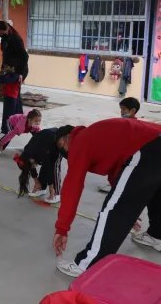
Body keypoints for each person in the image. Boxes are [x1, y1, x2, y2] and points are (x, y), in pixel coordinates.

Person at [53, 119, 161, 278]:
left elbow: (73, 186)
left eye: (61, 145)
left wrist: (62, 228)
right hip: (155, 141)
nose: (64, 151)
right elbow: (118, 174)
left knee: (114, 210)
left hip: (146, 147)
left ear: (67, 137)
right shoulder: (96, 136)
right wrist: (129, 204)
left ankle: (88, 264)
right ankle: (157, 235)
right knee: (157, 192)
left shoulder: (79, 140)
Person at [99, 97, 141, 193]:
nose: (121, 111)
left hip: (125, 156)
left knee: (119, 173)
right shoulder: (123, 123)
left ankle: (117, 188)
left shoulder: (134, 125)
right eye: (121, 109)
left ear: (133, 111)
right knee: (114, 173)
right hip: (118, 154)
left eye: (124, 109)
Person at [13, 127, 62, 204]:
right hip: (46, 141)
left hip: (58, 139)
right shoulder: (26, 155)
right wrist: (37, 182)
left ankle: (57, 193)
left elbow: (49, 167)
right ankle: (41, 188)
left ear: (31, 161)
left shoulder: (40, 154)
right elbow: (30, 167)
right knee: (45, 163)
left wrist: (51, 187)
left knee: (54, 166)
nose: (34, 167)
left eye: (32, 166)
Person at [0, 20, 29, 115]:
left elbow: (25, 56)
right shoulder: (4, 39)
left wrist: (21, 73)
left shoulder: (15, 39)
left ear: (7, 29)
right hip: (10, 70)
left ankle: (8, 126)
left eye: (1, 32)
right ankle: (19, 123)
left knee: (11, 98)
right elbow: (5, 56)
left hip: (18, 71)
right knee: (16, 99)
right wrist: (2, 70)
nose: (0, 34)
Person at [0, 66, 21, 137]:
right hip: (8, 95)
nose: (7, 68)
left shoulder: (15, 75)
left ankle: (5, 132)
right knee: (6, 114)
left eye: (9, 67)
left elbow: (4, 80)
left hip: (12, 97)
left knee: (8, 115)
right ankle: (7, 130)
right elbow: (0, 80)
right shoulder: (9, 74)